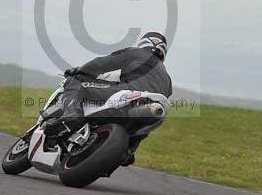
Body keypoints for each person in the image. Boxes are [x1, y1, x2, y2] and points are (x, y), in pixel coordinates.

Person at [43, 31, 172, 166]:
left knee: (77, 81)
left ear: (144, 43)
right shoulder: (168, 80)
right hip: (153, 109)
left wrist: (79, 70)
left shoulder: (136, 53)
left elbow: (102, 63)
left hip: (129, 92)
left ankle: (71, 115)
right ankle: (128, 151)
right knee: (142, 128)